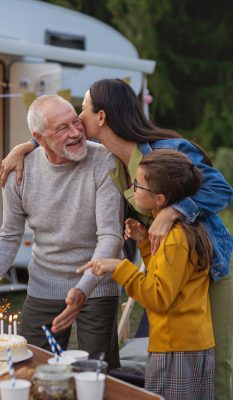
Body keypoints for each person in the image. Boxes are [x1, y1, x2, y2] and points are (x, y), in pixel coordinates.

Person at [1, 79, 233, 399]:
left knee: (216, 357)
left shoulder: (165, 151)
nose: (77, 119)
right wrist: (25, 146)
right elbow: (52, 138)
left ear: (100, 117)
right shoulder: (113, 163)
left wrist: (172, 212)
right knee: (181, 355)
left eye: (81, 111)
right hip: (168, 264)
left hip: (207, 261)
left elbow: (222, 189)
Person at [0, 94, 125, 368]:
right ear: (39, 138)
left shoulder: (104, 161)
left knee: (97, 374)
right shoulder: (18, 172)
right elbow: (9, 237)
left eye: (75, 122)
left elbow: (111, 236)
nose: (75, 133)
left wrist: (83, 289)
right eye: (62, 128)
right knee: (31, 368)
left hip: (95, 286)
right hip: (44, 284)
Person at [78, 149, 216, 399]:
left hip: (175, 350)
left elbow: (158, 297)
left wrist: (119, 268)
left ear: (160, 199)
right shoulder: (183, 229)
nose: (132, 188)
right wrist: (144, 242)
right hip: (190, 344)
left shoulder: (175, 239)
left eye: (138, 184)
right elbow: (166, 277)